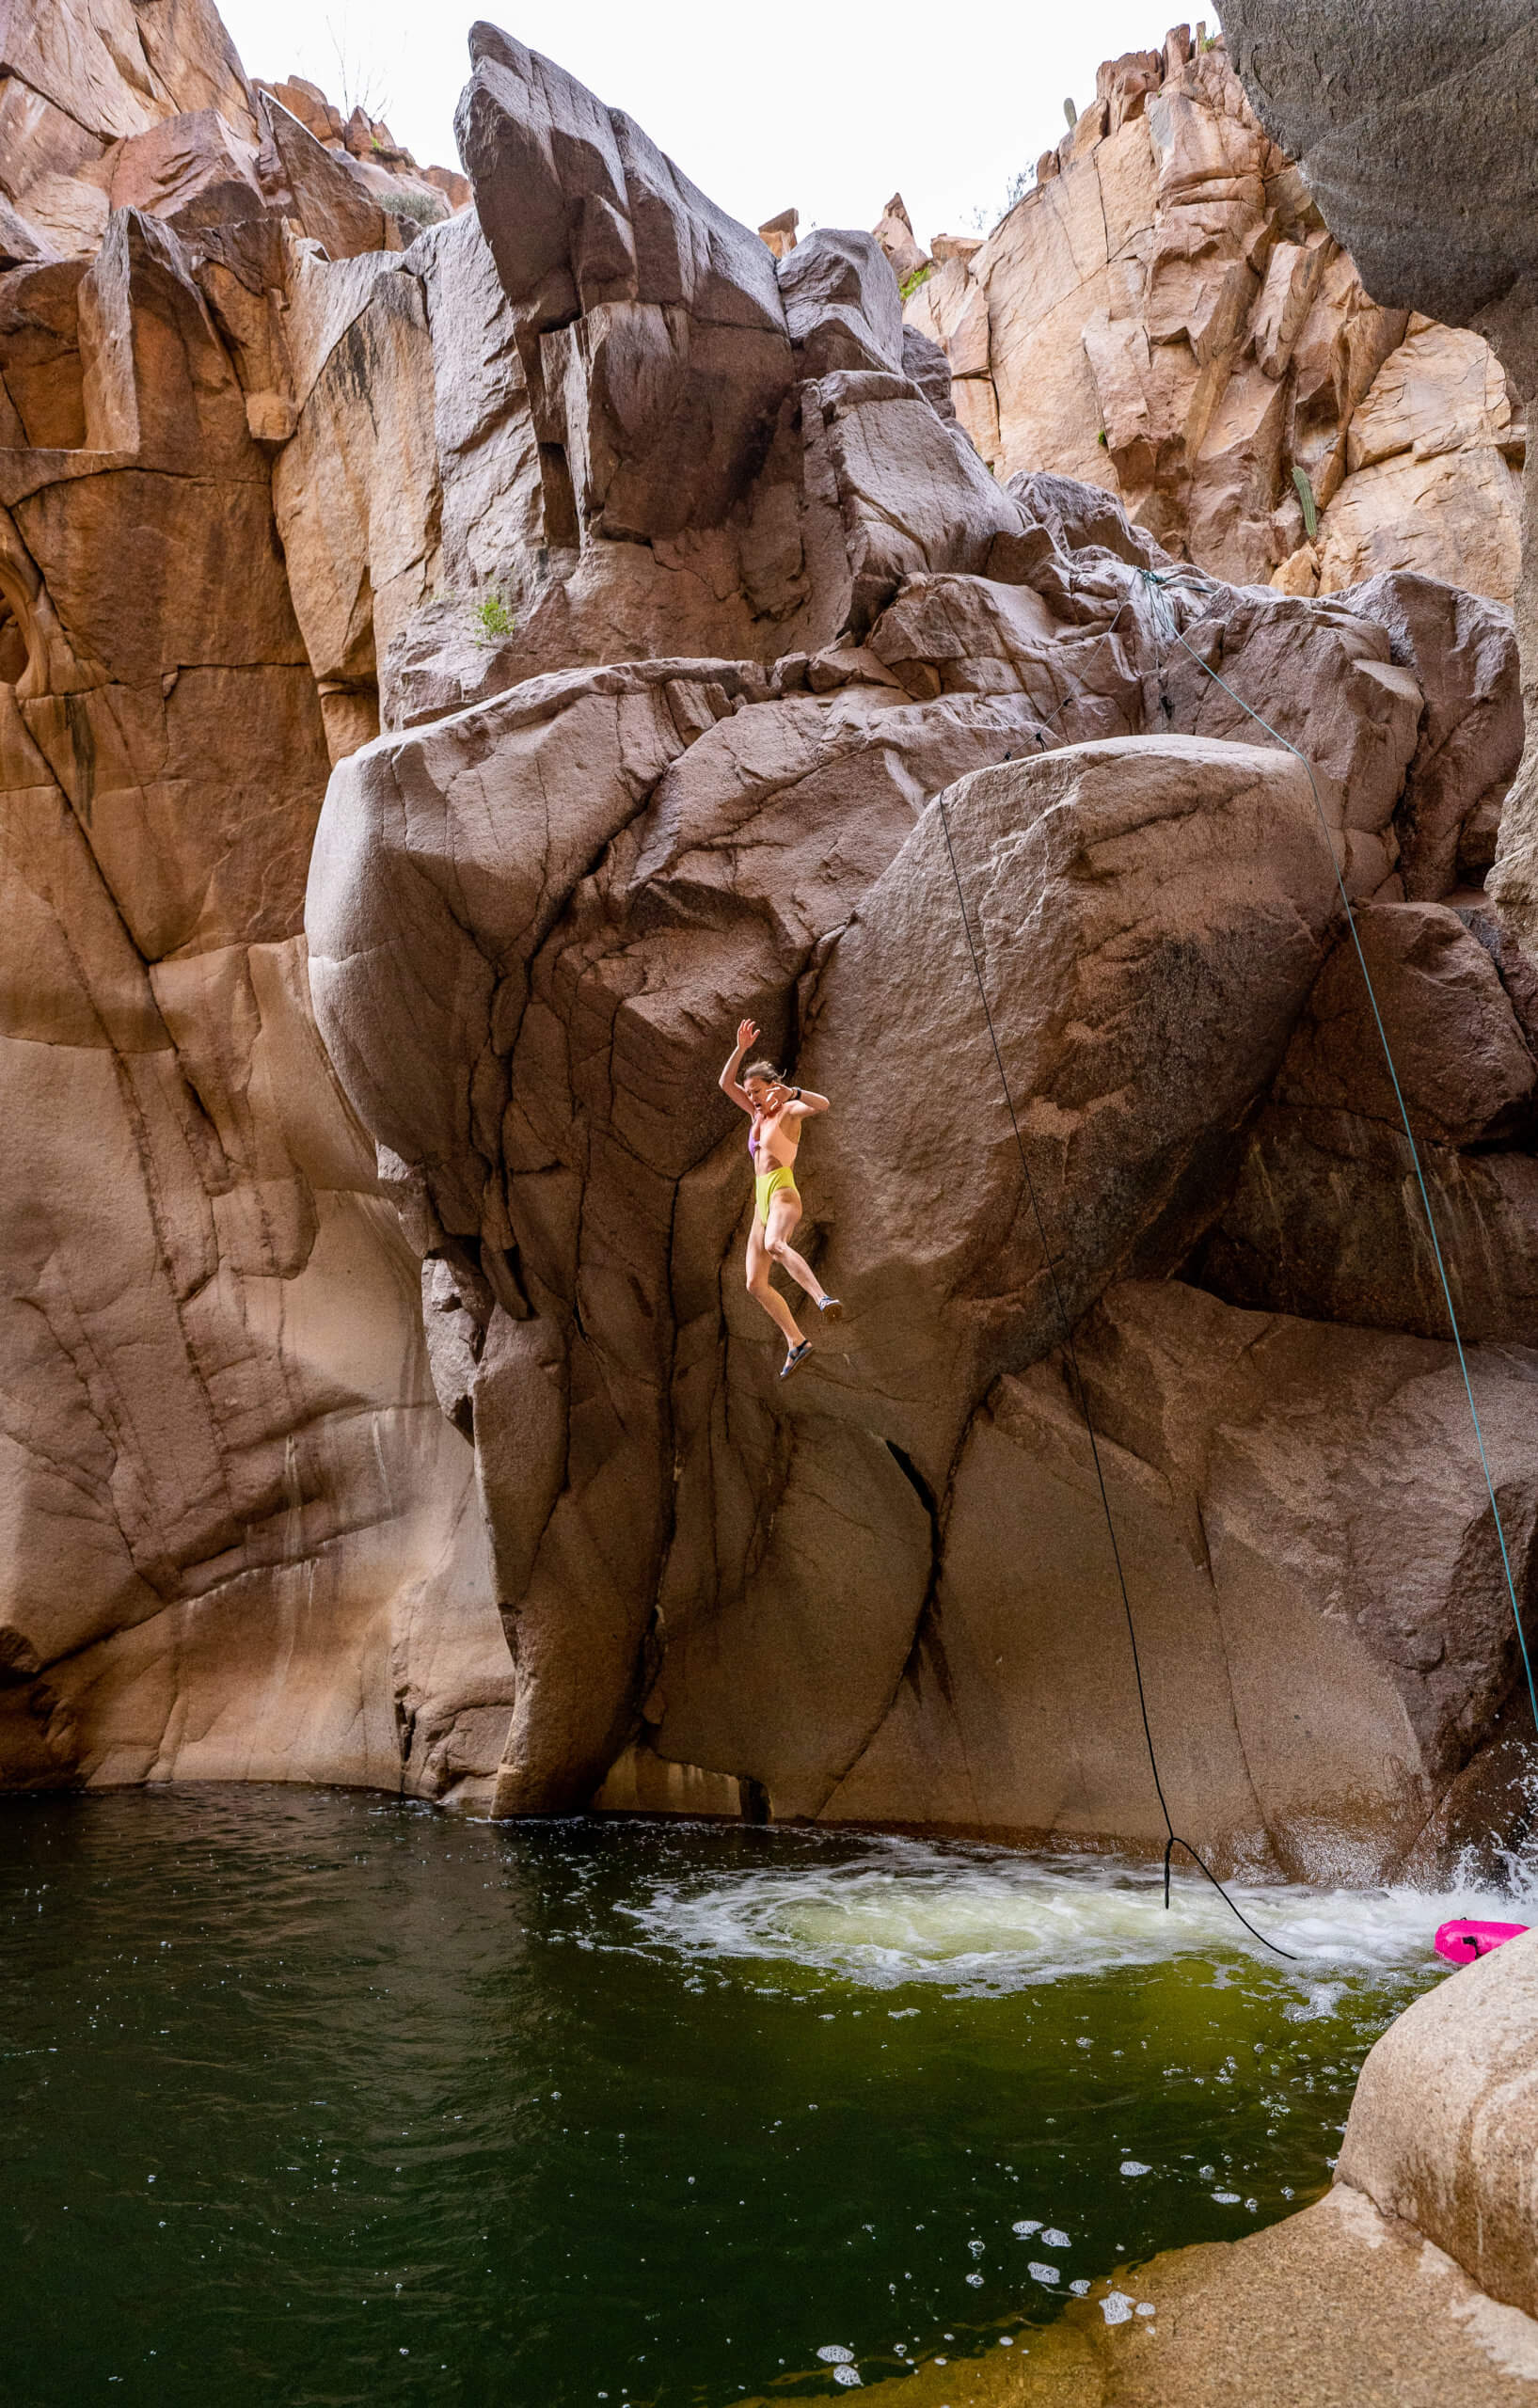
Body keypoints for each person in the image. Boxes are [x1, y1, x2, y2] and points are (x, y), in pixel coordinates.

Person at [719, 1017, 843, 1378]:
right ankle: (796, 1341)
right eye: (750, 1092)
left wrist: (794, 1093)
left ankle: (822, 1298)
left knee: (776, 1245)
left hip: (783, 1191)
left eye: (757, 1090)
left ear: (772, 1088)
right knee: (754, 1283)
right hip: (762, 1201)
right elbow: (725, 1083)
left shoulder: (787, 1112)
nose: (752, 1097)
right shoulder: (755, 1117)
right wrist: (741, 1049)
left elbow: (824, 1105)